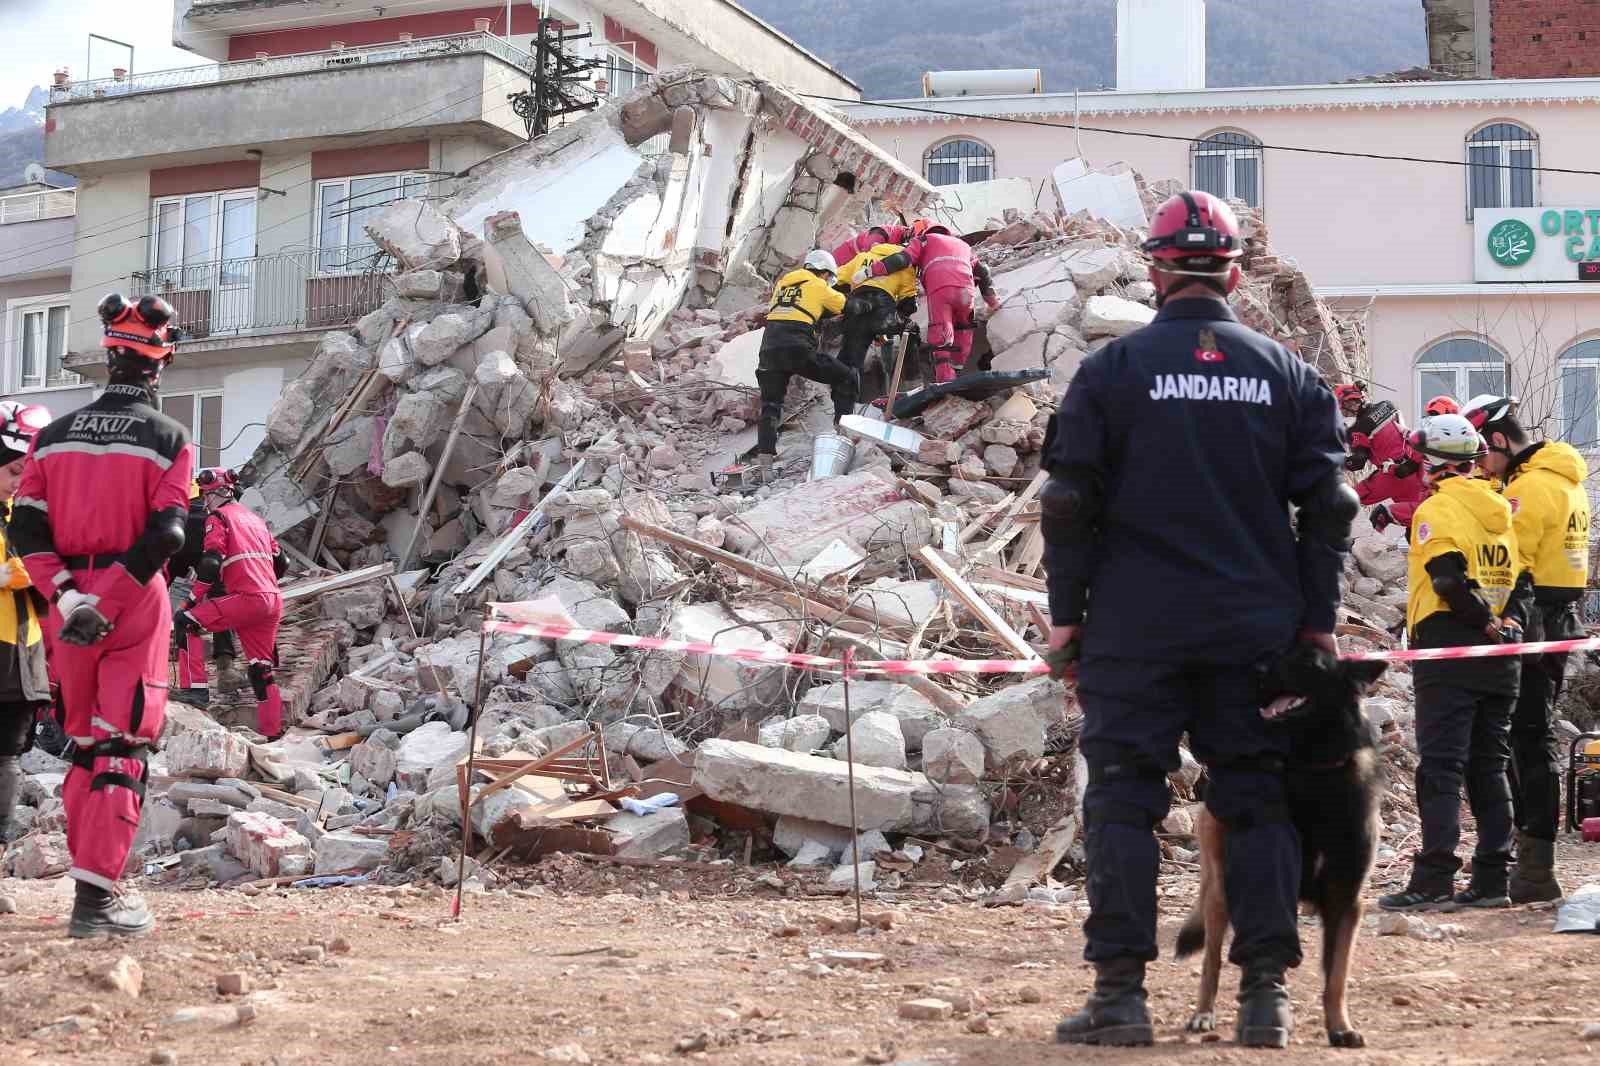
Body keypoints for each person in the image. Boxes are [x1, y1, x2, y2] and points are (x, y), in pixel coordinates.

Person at [1042, 191, 1350, 1049]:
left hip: (1135, 627)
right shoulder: (1286, 374)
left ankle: (1121, 997)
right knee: (1256, 800)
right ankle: (1263, 1000)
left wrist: (1066, 621)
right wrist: (1318, 624)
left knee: (1123, 803)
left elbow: (1068, 505)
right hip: (1255, 629)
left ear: (1155, 271)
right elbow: (1329, 504)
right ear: (1235, 274)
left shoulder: (1112, 372)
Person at [10, 292, 193, 938]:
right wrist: (108, 603)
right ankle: (97, 903)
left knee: (84, 749)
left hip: (65, 609)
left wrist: (65, 598)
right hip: (131, 601)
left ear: (109, 355)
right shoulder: (170, 438)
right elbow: (168, 535)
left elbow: (25, 527)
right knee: (123, 749)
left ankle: (91, 899)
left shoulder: (52, 437)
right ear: (160, 361)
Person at [1378, 412, 1527, 912]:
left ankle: (1435, 876)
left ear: (1431, 463)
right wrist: (1507, 625)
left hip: (1451, 646)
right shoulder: (1502, 508)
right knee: (1490, 765)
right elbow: (1522, 582)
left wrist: (1482, 622)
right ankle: (1492, 878)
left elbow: (1447, 581)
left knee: (1441, 766)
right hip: (1502, 654)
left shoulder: (1436, 511)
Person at [1463, 394, 1590, 903]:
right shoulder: (1566, 482)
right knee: (1532, 737)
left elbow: (1511, 564)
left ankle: (1534, 866)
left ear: (1497, 442)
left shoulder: (1529, 488)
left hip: (1530, 621)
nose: (1480, 468)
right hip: (1560, 617)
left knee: (1523, 739)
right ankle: (1532, 861)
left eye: (1480, 458)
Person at [174, 468, 289, 740]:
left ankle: (196, 691)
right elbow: (282, 562)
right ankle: (272, 734)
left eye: (207, 495)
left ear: (218, 492)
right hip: (272, 600)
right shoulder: (256, 520)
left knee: (185, 622)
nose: (205, 501)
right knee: (261, 670)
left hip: (247, 598)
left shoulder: (218, 518)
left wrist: (190, 600)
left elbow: (211, 562)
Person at [0, 402, 54, 842]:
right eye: (14, 470)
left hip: (22, 653)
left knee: (8, 757)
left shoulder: (23, 517)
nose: (20, 483)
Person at [755, 249, 854, 483]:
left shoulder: (783, 285)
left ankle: (765, 468)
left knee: (770, 405)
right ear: (824, 272)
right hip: (796, 346)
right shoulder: (819, 286)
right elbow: (845, 306)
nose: (829, 282)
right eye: (829, 277)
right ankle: (842, 437)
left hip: (769, 347)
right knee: (846, 377)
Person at [860, 221, 1000, 383]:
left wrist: (871, 270)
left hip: (940, 289)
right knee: (964, 327)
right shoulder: (964, 246)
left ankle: (946, 380)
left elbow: (902, 259)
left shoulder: (924, 241)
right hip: (965, 291)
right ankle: (958, 370)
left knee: (941, 333)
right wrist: (993, 302)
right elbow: (983, 273)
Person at [835, 239, 918, 383]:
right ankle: (912, 379)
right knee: (911, 329)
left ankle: (844, 400)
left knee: (851, 358)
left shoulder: (862, 257)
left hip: (857, 305)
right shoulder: (906, 266)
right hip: (883, 307)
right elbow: (908, 303)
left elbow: (836, 280)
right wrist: (895, 319)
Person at [829, 222, 909, 273]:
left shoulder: (900, 240)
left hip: (853, 266)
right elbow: (871, 252)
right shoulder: (884, 233)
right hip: (846, 257)